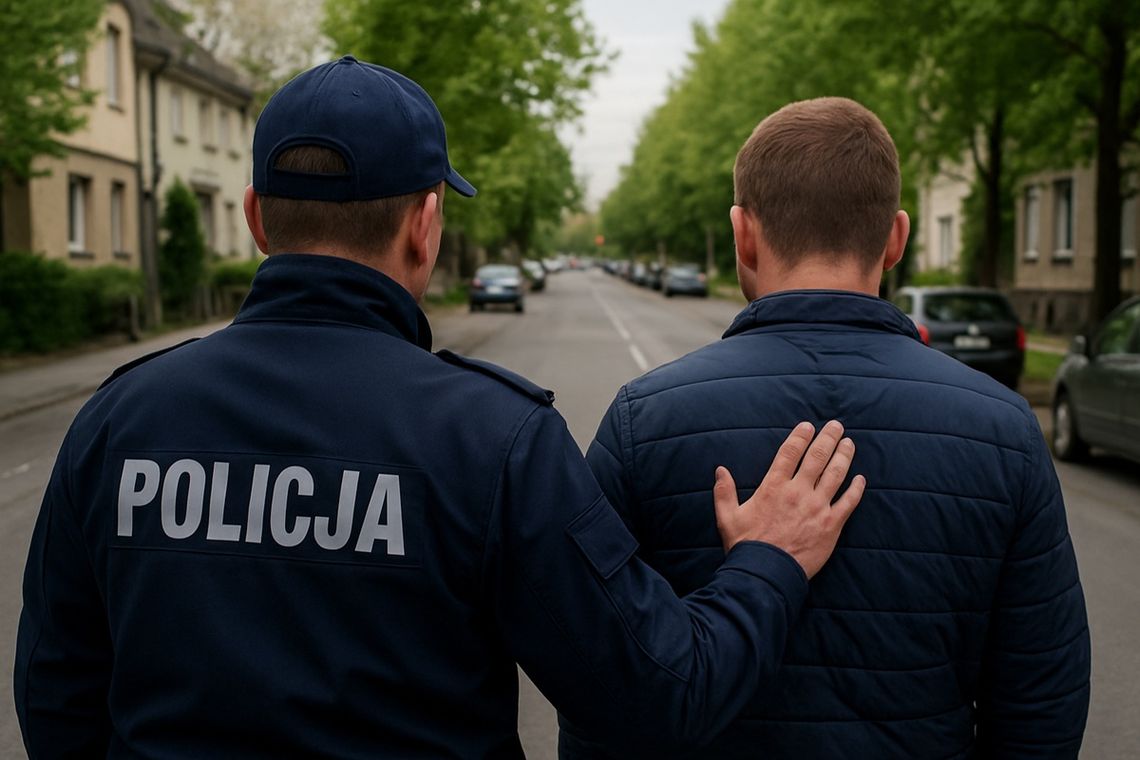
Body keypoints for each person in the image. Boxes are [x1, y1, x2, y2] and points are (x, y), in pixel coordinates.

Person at [13, 57, 866, 758]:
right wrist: (769, 560)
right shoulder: (493, 439)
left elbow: (56, 692)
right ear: (427, 223)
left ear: (255, 221)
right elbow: (657, 698)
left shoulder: (119, 420)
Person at [559, 97, 1091, 759]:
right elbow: (1041, 704)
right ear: (896, 239)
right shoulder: (1004, 429)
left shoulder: (644, 420)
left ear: (742, 234)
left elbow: (598, 688)